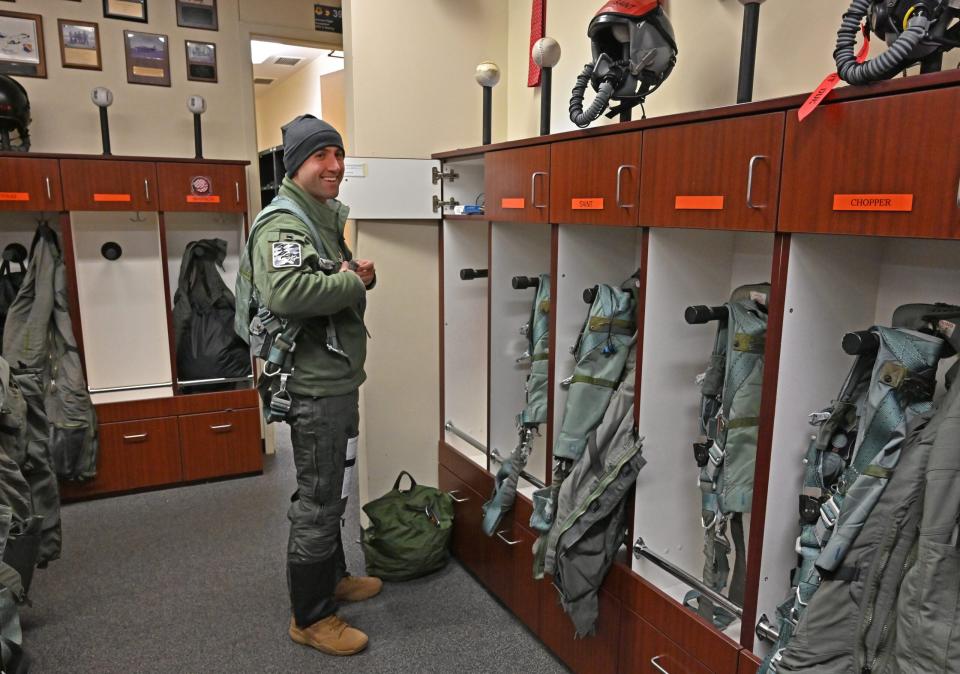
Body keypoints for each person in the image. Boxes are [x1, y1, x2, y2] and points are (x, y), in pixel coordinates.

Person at [245, 115, 378, 656]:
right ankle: (312, 616)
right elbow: (288, 293)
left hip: (334, 377)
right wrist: (355, 279)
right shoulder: (283, 224)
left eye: (339, 155)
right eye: (322, 156)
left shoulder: (319, 216)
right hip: (314, 386)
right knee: (320, 498)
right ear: (296, 163)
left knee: (334, 484)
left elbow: (322, 273)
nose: (335, 166)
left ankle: (334, 576)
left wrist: (348, 272)